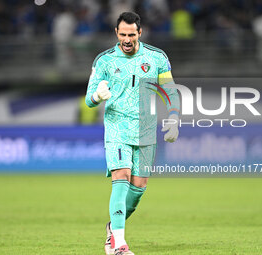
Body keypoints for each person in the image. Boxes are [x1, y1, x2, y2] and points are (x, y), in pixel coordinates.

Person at [85, 12, 180, 255]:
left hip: (146, 130)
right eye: (122, 34)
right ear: (116, 33)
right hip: (117, 127)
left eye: (131, 34)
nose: (127, 39)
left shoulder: (156, 57)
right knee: (122, 177)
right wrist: (97, 96)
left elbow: (170, 90)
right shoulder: (104, 60)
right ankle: (119, 244)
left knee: (138, 188)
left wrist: (174, 116)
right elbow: (89, 99)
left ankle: (112, 229)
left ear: (140, 32)